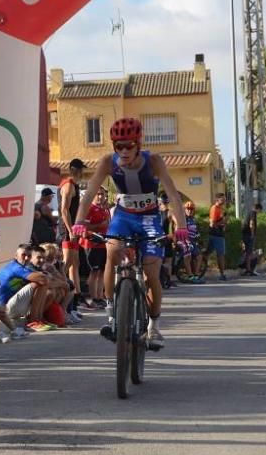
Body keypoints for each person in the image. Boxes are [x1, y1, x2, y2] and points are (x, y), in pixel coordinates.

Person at [74, 118, 188, 350]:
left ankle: (153, 326)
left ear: (138, 144)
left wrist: (182, 226)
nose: (124, 151)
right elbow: (89, 193)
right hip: (124, 217)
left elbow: (173, 195)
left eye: (128, 146)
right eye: (119, 146)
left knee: (150, 271)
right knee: (112, 251)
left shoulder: (153, 161)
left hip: (149, 218)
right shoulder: (108, 162)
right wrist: (78, 222)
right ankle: (112, 313)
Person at [0, 244, 49, 335]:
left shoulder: (22, 267)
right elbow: (43, 279)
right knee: (39, 284)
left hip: (10, 306)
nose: (26, 258)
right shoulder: (16, 268)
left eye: (29, 256)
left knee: (45, 286)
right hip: (4, 309)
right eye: (23, 255)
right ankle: (33, 321)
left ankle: (39, 319)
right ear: (16, 256)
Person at [58, 159, 85, 315]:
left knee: (75, 263)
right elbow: (64, 210)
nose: (82, 173)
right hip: (67, 230)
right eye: (81, 170)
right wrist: (71, 230)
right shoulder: (68, 185)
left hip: (72, 229)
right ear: (76, 170)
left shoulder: (74, 185)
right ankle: (61, 298)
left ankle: (74, 301)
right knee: (67, 263)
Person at [80, 188, 110, 308]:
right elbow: (84, 225)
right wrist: (99, 226)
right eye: (97, 194)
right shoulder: (89, 208)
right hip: (92, 244)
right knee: (94, 271)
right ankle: (92, 297)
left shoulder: (105, 209)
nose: (100, 197)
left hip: (104, 244)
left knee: (101, 272)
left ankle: (99, 296)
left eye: (102, 194)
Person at [177, 200, 203, 283]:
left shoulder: (193, 219)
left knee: (199, 256)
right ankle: (190, 276)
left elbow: (195, 231)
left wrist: (198, 238)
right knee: (187, 255)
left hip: (192, 241)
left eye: (191, 209)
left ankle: (196, 275)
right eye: (187, 209)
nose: (189, 210)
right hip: (183, 240)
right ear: (184, 209)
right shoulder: (182, 219)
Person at [204, 193, 229, 281]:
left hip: (218, 234)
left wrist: (224, 222)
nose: (224, 201)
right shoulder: (215, 209)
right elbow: (212, 223)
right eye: (222, 199)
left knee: (207, 253)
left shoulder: (221, 209)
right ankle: (222, 274)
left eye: (224, 199)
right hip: (216, 235)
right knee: (221, 254)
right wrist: (223, 221)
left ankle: (202, 270)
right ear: (217, 200)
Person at [241, 202, 262, 276]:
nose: (259, 212)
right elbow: (251, 223)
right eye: (260, 210)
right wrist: (252, 234)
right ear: (258, 209)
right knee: (250, 253)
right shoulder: (253, 213)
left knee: (248, 252)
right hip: (249, 235)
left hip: (245, 234)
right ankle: (249, 270)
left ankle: (248, 269)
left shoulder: (249, 212)